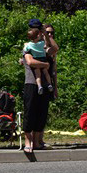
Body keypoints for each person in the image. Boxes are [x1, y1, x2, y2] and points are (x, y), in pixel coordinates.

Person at [22, 21, 58, 153]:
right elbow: (30, 61)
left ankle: (37, 141)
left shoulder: (44, 46)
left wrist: (46, 35)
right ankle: (28, 141)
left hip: (45, 84)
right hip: (31, 83)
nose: (48, 34)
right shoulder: (28, 45)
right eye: (44, 32)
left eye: (51, 33)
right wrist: (44, 65)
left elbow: (55, 49)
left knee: (42, 113)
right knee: (30, 112)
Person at [24, 28, 54, 95]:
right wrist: (45, 34)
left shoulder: (28, 45)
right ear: (38, 36)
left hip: (36, 59)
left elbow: (25, 50)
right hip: (43, 59)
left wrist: (25, 45)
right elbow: (47, 42)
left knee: (38, 75)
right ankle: (49, 84)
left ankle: (39, 86)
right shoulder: (42, 43)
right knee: (46, 73)